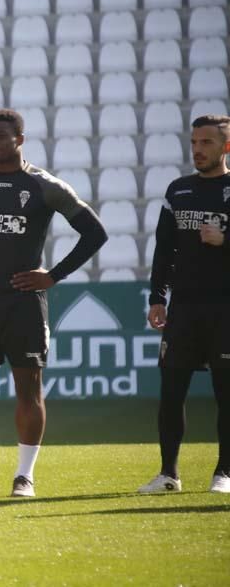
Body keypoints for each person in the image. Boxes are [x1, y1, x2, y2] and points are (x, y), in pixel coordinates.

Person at [0, 109, 107, 498]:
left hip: (25, 303)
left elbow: (94, 233)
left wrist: (53, 275)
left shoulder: (44, 185)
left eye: (0, 135)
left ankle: (24, 476)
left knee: (28, 389)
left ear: (20, 139)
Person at [139, 114, 230, 495]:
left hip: (225, 308)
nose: (197, 149)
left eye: (206, 142)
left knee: (225, 392)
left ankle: (224, 473)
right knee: (171, 390)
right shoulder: (178, 191)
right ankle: (168, 474)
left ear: (225, 146)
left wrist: (225, 240)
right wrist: (158, 297)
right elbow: (164, 250)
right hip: (184, 309)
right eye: (194, 142)